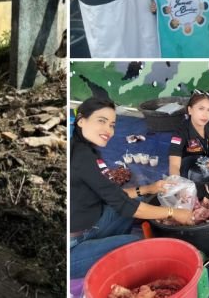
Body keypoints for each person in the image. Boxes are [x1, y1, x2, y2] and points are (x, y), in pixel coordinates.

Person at [70, 97, 193, 278]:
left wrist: (148, 188)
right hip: (72, 248)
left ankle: (108, 247)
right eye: (101, 121)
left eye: (112, 125)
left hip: (91, 225)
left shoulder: (87, 150)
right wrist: (173, 213)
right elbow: (124, 205)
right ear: (81, 120)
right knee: (136, 244)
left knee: (136, 198)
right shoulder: (81, 157)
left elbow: (112, 194)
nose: (108, 130)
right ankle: (111, 254)